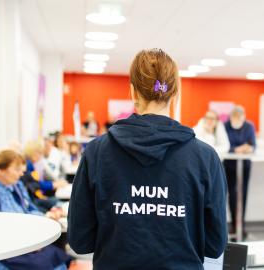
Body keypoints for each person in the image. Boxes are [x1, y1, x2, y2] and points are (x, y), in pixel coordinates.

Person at [68, 49, 227, 270]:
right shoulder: (205, 157)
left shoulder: (96, 152)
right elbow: (214, 245)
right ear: (175, 95)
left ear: (133, 92)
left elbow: (80, 240)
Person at [0, 149, 70, 270]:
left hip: (26, 237)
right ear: (0, 170)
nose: (21, 174)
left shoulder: (16, 186)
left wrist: (46, 216)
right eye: (17, 169)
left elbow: (28, 209)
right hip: (8, 246)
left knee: (60, 262)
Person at [223, 105, 256, 236]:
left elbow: (252, 145)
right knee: (232, 195)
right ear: (231, 117)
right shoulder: (225, 126)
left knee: (243, 195)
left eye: (240, 117)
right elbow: (224, 146)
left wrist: (246, 148)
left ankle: (241, 226)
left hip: (245, 165)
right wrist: (235, 149)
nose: (237, 119)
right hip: (229, 166)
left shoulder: (249, 126)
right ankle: (233, 225)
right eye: (235, 117)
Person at [22, 140, 68, 211]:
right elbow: (36, 184)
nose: (41, 156)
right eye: (39, 153)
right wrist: (53, 184)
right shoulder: (28, 166)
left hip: (37, 196)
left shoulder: (33, 164)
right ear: (32, 153)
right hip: (34, 199)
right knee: (57, 203)